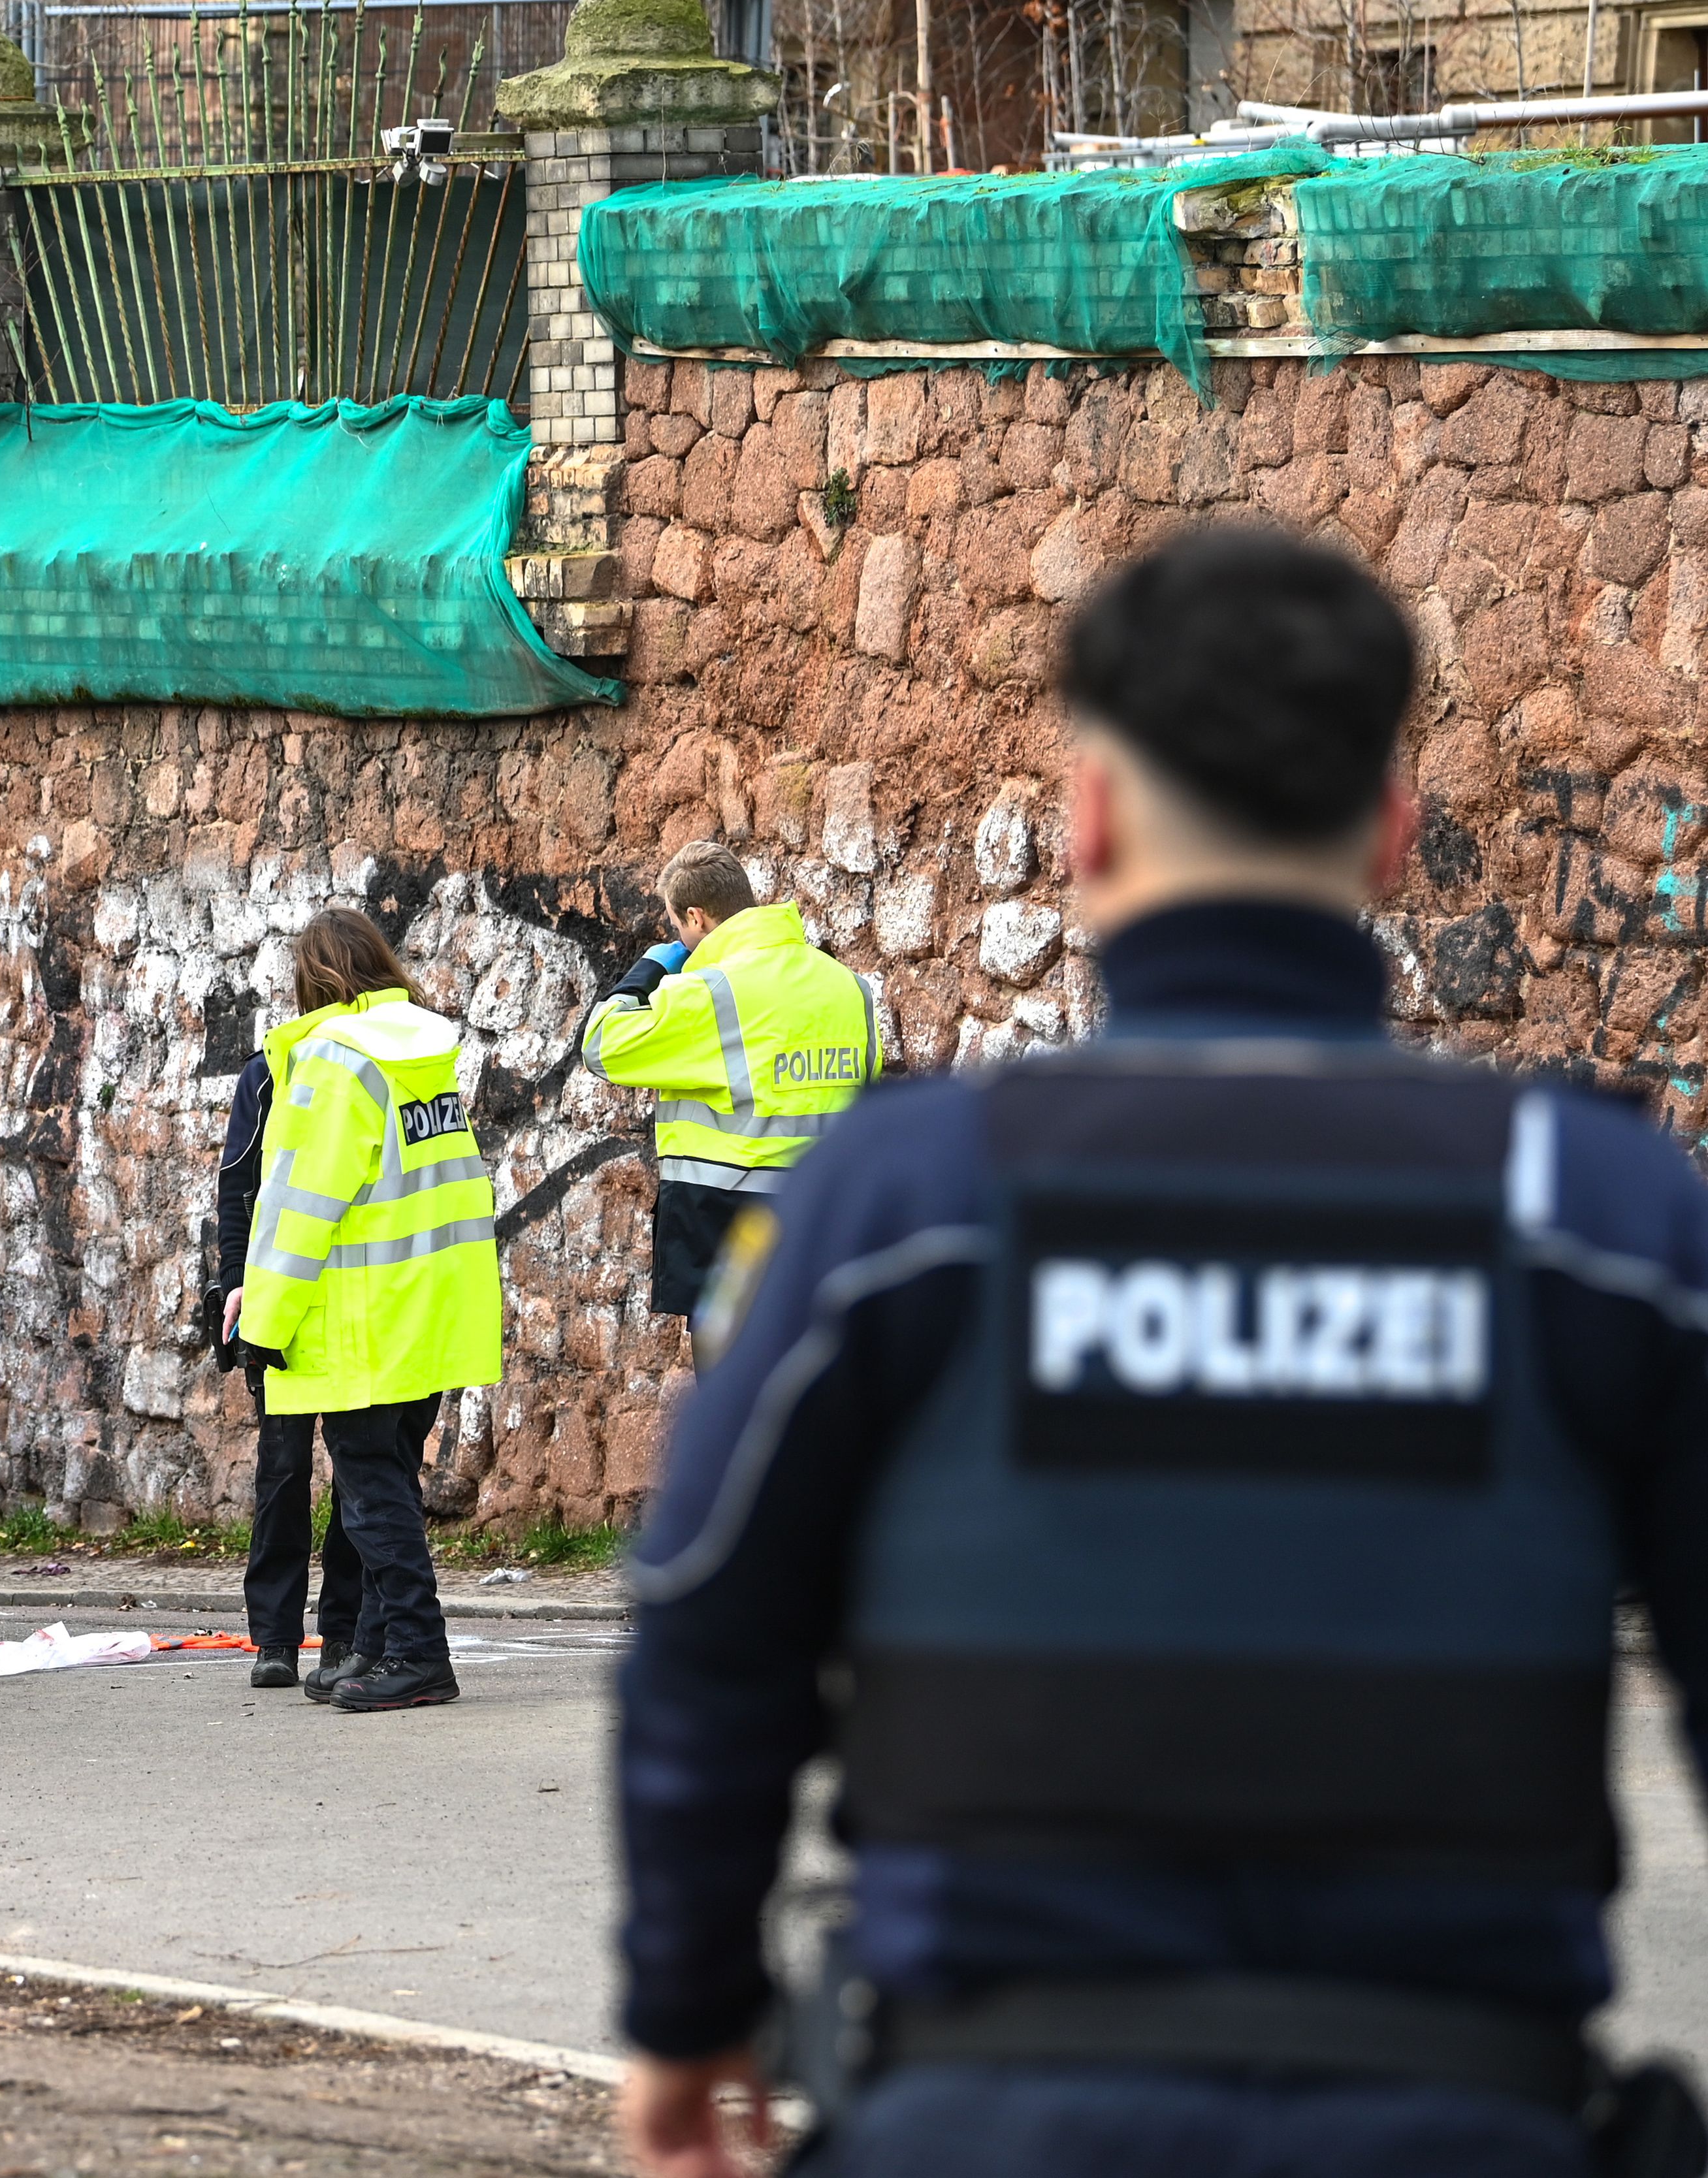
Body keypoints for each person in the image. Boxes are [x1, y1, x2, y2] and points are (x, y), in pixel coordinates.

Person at [614, 525, 1708, 2178]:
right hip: (1462, 2120)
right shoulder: (1597, 1216)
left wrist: (685, 2018)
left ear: (1092, 828)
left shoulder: (905, 1205)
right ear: (1394, 841)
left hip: (981, 2119)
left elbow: (709, 1635)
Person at [228, 901, 506, 1714]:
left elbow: (297, 1212)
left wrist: (263, 1325)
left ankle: (418, 1652)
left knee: (371, 1492)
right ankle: (378, 1650)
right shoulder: (423, 1055)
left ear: (311, 982)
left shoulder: (332, 1062)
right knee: (390, 1481)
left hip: (363, 1322)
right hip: (434, 1310)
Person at [578, 838, 884, 1327]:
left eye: (677, 925)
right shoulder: (850, 988)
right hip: (832, 1228)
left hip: (730, 1236)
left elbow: (600, 1044)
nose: (678, 934)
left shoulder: (710, 994)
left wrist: (651, 968)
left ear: (696, 918)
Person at [210, 904, 383, 1695]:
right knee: (296, 1470)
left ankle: (335, 1633)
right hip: (304, 1300)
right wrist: (234, 1283)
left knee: (333, 1473)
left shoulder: (376, 1061)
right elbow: (240, 1184)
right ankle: (278, 1637)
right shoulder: (272, 1069)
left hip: (332, 1300)